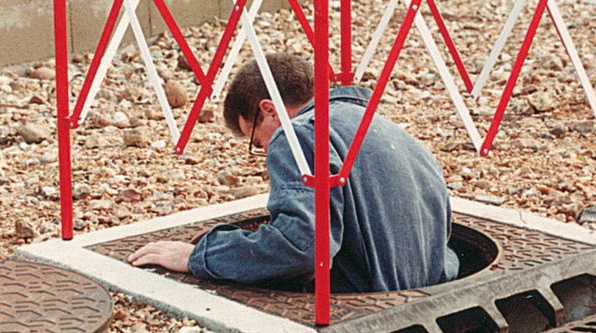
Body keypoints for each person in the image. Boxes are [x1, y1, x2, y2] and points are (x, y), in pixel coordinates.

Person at [128, 53, 459, 293]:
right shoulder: (383, 127)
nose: (264, 151)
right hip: (432, 294)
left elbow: (301, 248)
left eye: (256, 141)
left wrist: (200, 256)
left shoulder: (297, 134)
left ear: (268, 110)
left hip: (371, 307)